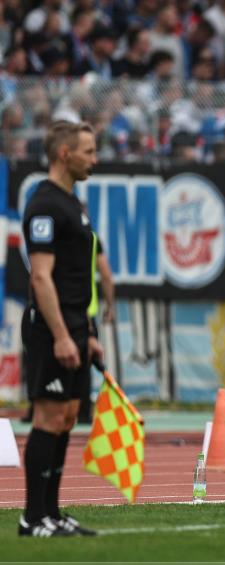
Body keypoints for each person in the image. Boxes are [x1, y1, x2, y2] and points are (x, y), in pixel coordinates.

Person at [20, 121, 103, 536]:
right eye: (89, 151)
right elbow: (41, 278)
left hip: (73, 322)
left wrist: (85, 330)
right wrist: (61, 335)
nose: (96, 159)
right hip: (50, 327)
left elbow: (79, 276)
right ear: (64, 154)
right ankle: (32, 517)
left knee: (68, 417)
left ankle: (52, 512)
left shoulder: (76, 205)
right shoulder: (45, 205)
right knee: (48, 418)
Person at [77, 233, 115, 425]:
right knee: (85, 365)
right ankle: (84, 414)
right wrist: (110, 307)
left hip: (58, 309)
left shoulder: (56, 233)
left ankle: (38, 412)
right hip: (85, 311)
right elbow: (106, 275)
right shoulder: (92, 238)